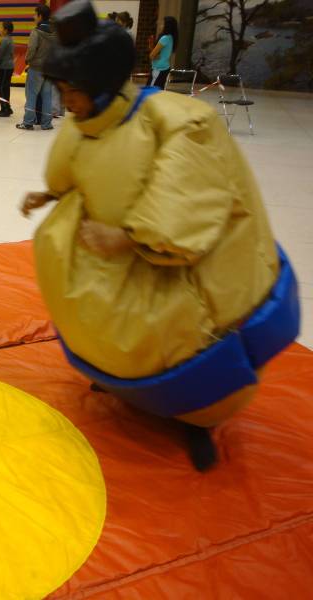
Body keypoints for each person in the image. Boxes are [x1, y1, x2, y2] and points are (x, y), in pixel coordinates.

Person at [23, 0, 298, 471]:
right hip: (111, 254)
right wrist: (48, 195)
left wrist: (129, 236)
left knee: (170, 333)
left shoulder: (178, 121)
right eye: (61, 90)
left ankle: (197, 420)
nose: (64, 101)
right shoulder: (86, 124)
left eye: (71, 90)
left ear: (102, 84)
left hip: (174, 261)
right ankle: (112, 374)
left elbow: (187, 197)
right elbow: (71, 167)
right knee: (77, 290)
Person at [17, 5, 54, 130]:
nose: (33, 17)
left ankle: (28, 122)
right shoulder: (55, 32)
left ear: (40, 16)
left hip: (36, 68)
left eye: (35, 14)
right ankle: (46, 123)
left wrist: (27, 60)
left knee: (31, 95)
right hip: (49, 69)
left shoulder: (36, 32)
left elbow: (31, 50)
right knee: (47, 96)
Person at [150, 16, 178, 89]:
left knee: (151, 93)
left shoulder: (164, 38)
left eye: (163, 24)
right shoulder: (171, 37)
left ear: (167, 26)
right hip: (164, 67)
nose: (161, 25)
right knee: (159, 91)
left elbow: (152, 55)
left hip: (158, 68)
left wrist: (154, 55)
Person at [0, 21, 15, 117]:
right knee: (5, 88)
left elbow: (0, 55)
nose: (0, 29)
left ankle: (5, 109)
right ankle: (7, 107)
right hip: (9, 66)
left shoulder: (5, 40)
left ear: (6, 30)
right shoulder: (10, 39)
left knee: (1, 88)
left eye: (1, 28)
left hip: (5, 67)